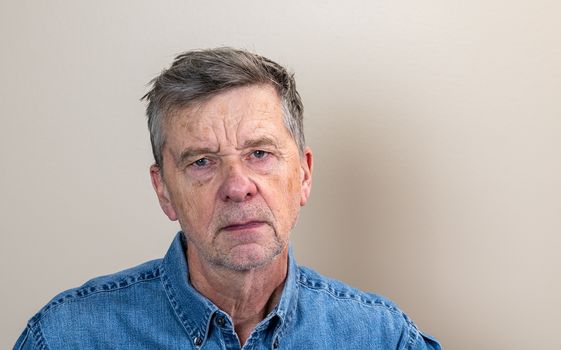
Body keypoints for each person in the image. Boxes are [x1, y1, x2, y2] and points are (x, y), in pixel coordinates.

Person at [14, 47, 441, 350]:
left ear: (304, 174)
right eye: (201, 161)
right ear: (164, 190)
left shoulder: (382, 338)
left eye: (260, 154)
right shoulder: (66, 337)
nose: (237, 186)